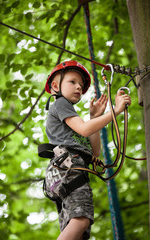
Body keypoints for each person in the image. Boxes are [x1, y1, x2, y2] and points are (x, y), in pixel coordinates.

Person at [43, 60, 131, 240]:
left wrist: (95, 118)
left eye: (81, 85)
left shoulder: (70, 119)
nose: (78, 88)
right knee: (81, 219)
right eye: (72, 82)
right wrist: (116, 110)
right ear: (55, 85)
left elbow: (95, 152)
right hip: (68, 168)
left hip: (65, 171)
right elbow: (84, 129)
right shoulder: (60, 104)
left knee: (78, 231)